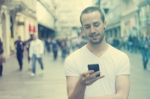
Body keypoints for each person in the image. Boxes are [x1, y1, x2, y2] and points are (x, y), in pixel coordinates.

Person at [64, 6, 130, 99]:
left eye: (96, 24)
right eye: (87, 27)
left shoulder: (121, 57)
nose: (92, 31)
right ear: (82, 29)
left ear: (104, 24)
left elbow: (122, 96)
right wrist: (81, 84)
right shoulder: (72, 60)